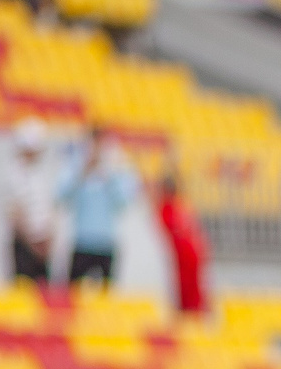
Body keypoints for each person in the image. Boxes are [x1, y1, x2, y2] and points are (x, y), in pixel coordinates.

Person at [57, 128, 140, 289]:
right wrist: (83, 171)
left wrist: (108, 176)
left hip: (106, 243)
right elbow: (61, 197)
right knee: (73, 296)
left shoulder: (117, 167)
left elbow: (123, 203)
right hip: (82, 241)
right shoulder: (76, 164)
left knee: (105, 299)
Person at [2, 120, 56, 286]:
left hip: (42, 244)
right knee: (23, 292)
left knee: (43, 293)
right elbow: (15, 214)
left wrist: (48, 239)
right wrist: (33, 244)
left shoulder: (40, 173)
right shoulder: (12, 174)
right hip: (25, 244)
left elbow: (48, 209)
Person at [153, 171, 209, 318]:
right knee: (192, 296)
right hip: (190, 255)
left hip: (182, 258)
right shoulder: (183, 206)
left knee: (186, 298)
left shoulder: (167, 208)